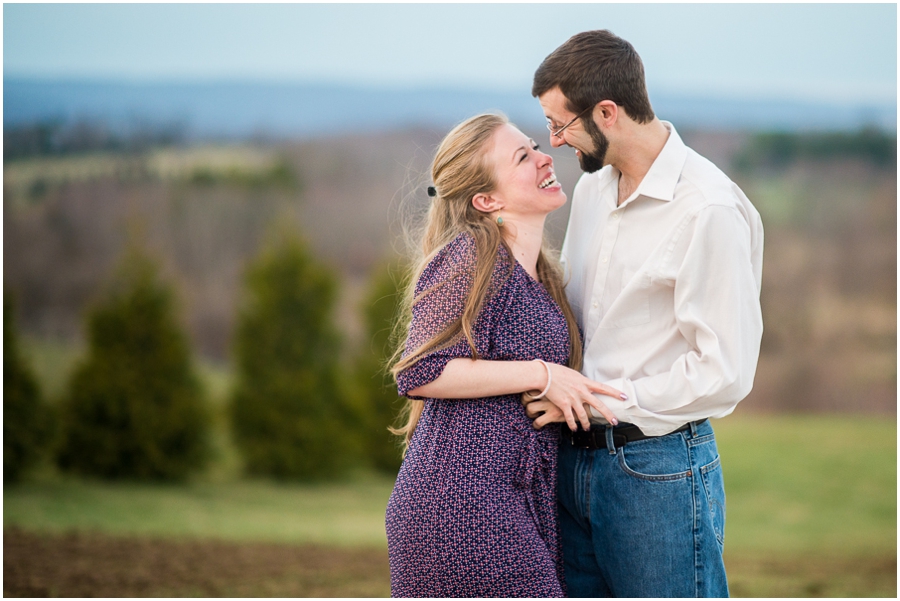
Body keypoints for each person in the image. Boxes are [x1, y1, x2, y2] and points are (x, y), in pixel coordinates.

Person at [524, 30, 764, 597]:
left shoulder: (709, 209)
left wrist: (602, 399)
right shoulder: (591, 191)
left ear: (607, 112)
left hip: (655, 470)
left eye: (561, 125)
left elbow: (725, 372)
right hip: (570, 463)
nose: (554, 142)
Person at [384, 113, 626, 597]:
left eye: (535, 145)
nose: (544, 157)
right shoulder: (473, 255)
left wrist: (558, 389)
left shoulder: (543, 274)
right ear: (487, 200)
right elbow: (419, 371)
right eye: (523, 156)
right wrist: (543, 375)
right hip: (460, 505)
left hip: (514, 497)